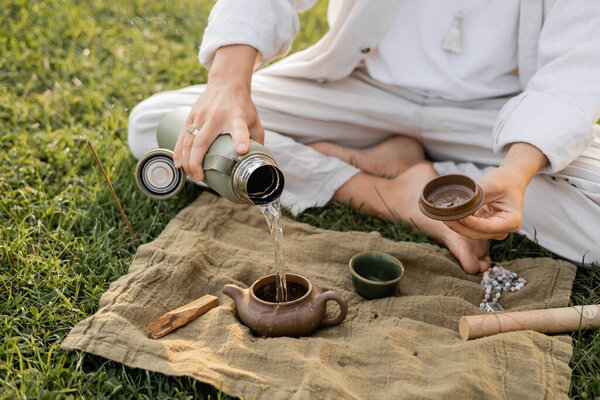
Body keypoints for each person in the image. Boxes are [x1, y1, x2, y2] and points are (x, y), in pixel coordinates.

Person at [128, 0, 600, 274]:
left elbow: (578, 65)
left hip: (498, 117)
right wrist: (228, 83)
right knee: (159, 124)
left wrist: (516, 174)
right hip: (359, 89)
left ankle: (429, 175)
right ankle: (397, 190)